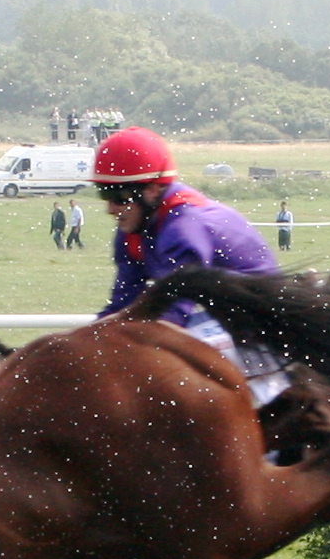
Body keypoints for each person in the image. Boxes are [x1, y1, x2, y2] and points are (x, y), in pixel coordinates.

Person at [88, 125, 290, 404]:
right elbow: (123, 305)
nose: (111, 209)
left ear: (153, 190)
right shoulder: (131, 233)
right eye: (103, 194)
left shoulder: (183, 228)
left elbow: (173, 317)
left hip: (259, 322)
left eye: (119, 197)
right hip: (212, 312)